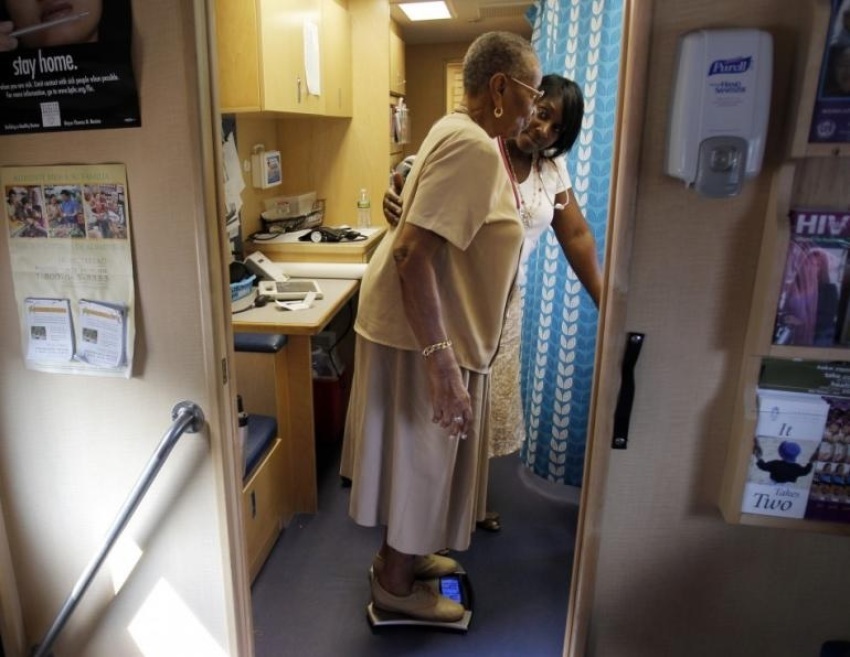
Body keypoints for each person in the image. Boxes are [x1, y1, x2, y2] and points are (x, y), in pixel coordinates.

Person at [343, 31, 541, 623]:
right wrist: (441, 363)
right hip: (423, 335)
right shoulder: (474, 146)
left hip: (418, 327)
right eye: (532, 94)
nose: (535, 110)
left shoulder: (451, 131)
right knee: (425, 461)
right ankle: (396, 588)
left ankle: (394, 561)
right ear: (501, 88)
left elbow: (419, 223)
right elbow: (411, 253)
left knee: (416, 459)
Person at [381, 74, 603, 531]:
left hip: (506, 304)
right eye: (541, 112)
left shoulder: (550, 171)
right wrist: (395, 188)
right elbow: (411, 174)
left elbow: (576, 234)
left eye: (556, 127)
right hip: (458, 299)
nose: (543, 129)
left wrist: (608, 302)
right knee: (446, 402)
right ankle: (429, 515)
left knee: (481, 410)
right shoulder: (483, 147)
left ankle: (467, 502)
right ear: (522, 102)